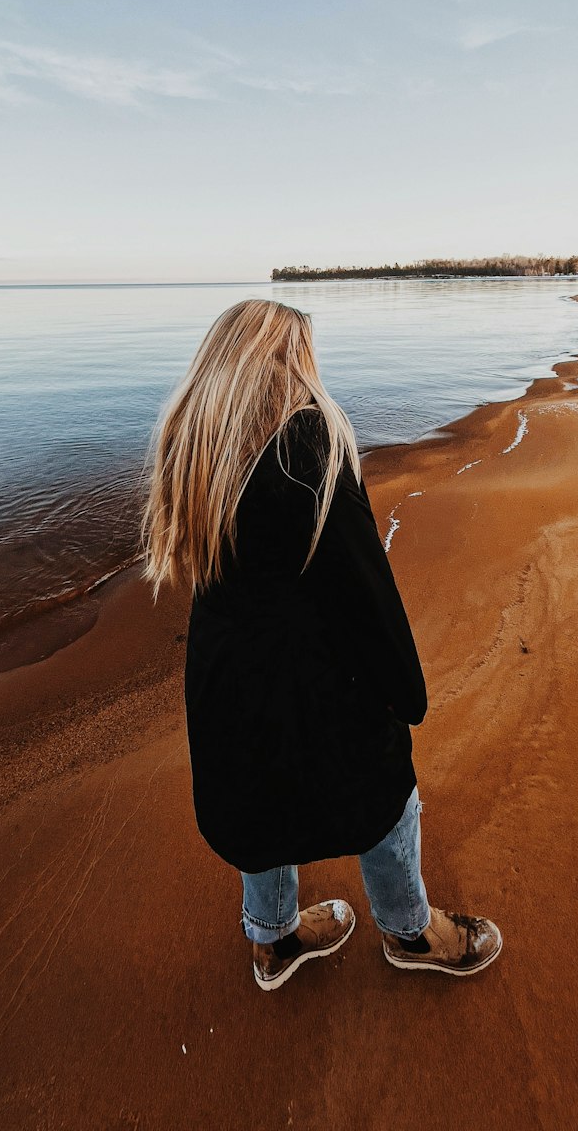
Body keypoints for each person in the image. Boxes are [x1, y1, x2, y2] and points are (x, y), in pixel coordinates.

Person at [140, 298, 502, 991]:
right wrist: (405, 687)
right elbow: (363, 585)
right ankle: (412, 931)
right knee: (387, 791)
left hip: (223, 674)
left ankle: (272, 938)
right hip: (311, 673)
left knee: (255, 798)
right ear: (286, 363)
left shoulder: (195, 443)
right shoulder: (307, 443)